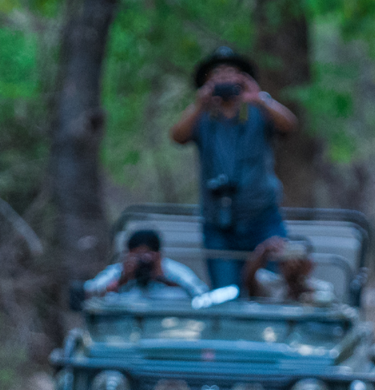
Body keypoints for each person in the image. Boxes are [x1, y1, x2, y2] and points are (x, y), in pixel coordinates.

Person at [169, 47, 298, 289]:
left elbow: (289, 125)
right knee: (226, 294)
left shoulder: (259, 112)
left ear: (243, 79)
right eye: (217, 74)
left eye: (231, 73)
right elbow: (177, 136)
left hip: (263, 219)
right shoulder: (202, 117)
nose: (224, 79)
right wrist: (199, 104)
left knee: (275, 289)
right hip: (218, 223)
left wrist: (258, 98)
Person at [83, 229, 208, 300]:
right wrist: (123, 279)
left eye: (147, 255)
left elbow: (201, 295)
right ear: (128, 254)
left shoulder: (174, 271)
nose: (143, 261)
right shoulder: (118, 272)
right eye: (137, 255)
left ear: (158, 255)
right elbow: (90, 294)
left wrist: (163, 278)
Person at [241, 237, 335, 305]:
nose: (293, 265)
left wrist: (300, 285)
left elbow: (325, 299)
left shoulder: (323, 288)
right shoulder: (270, 285)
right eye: (286, 261)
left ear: (309, 266)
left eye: (300, 262)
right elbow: (249, 280)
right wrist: (263, 250)